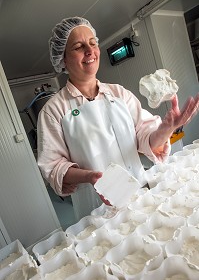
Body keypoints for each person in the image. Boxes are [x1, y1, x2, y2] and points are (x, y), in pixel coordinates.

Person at [37, 16, 199, 221]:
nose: (90, 51)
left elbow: (145, 137)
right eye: (78, 47)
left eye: (93, 43)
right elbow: (53, 166)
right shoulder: (54, 110)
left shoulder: (119, 93)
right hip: (98, 207)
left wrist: (168, 127)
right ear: (63, 59)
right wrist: (90, 176)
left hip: (140, 191)